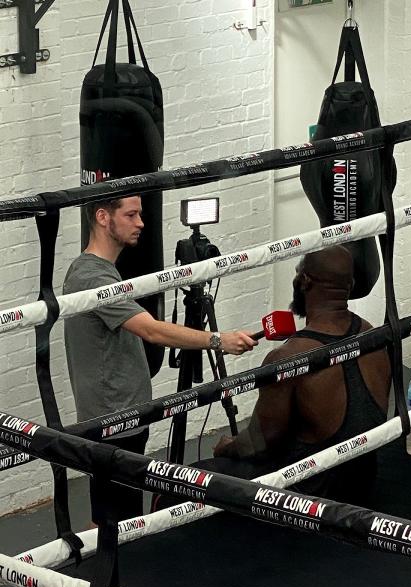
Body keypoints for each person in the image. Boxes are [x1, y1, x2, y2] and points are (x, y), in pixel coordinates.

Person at [63, 195, 257, 526]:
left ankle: (112, 574)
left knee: (119, 514)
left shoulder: (104, 271)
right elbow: (151, 331)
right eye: (131, 214)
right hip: (113, 418)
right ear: (103, 217)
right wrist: (217, 340)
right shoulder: (92, 277)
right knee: (115, 520)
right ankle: (107, 578)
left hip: (124, 412)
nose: (141, 222)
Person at [163, 245, 391, 508]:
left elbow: (260, 444)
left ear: (304, 281)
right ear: (350, 285)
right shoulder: (372, 335)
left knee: (181, 479)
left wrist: (228, 446)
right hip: (361, 482)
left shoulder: (289, 357)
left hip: (308, 494)